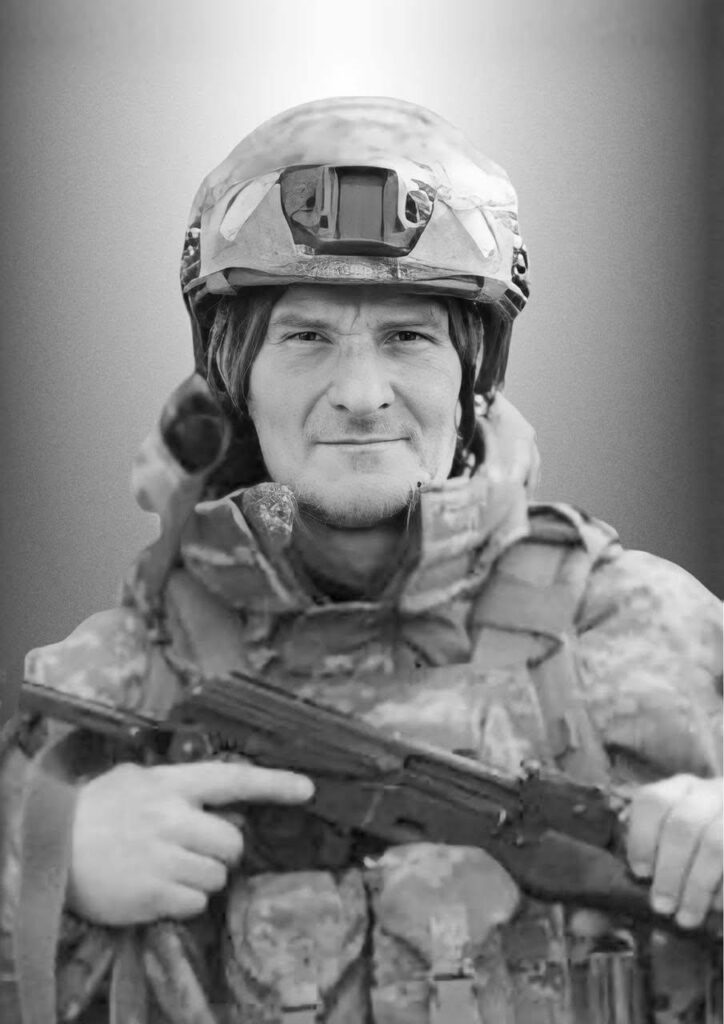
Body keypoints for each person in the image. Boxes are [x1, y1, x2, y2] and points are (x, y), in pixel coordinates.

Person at [0, 96, 721, 1024]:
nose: (360, 393)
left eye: (407, 337)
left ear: (471, 373)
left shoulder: (658, 636)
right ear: (235, 375)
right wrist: (48, 863)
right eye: (305, 338)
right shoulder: (113, 682)